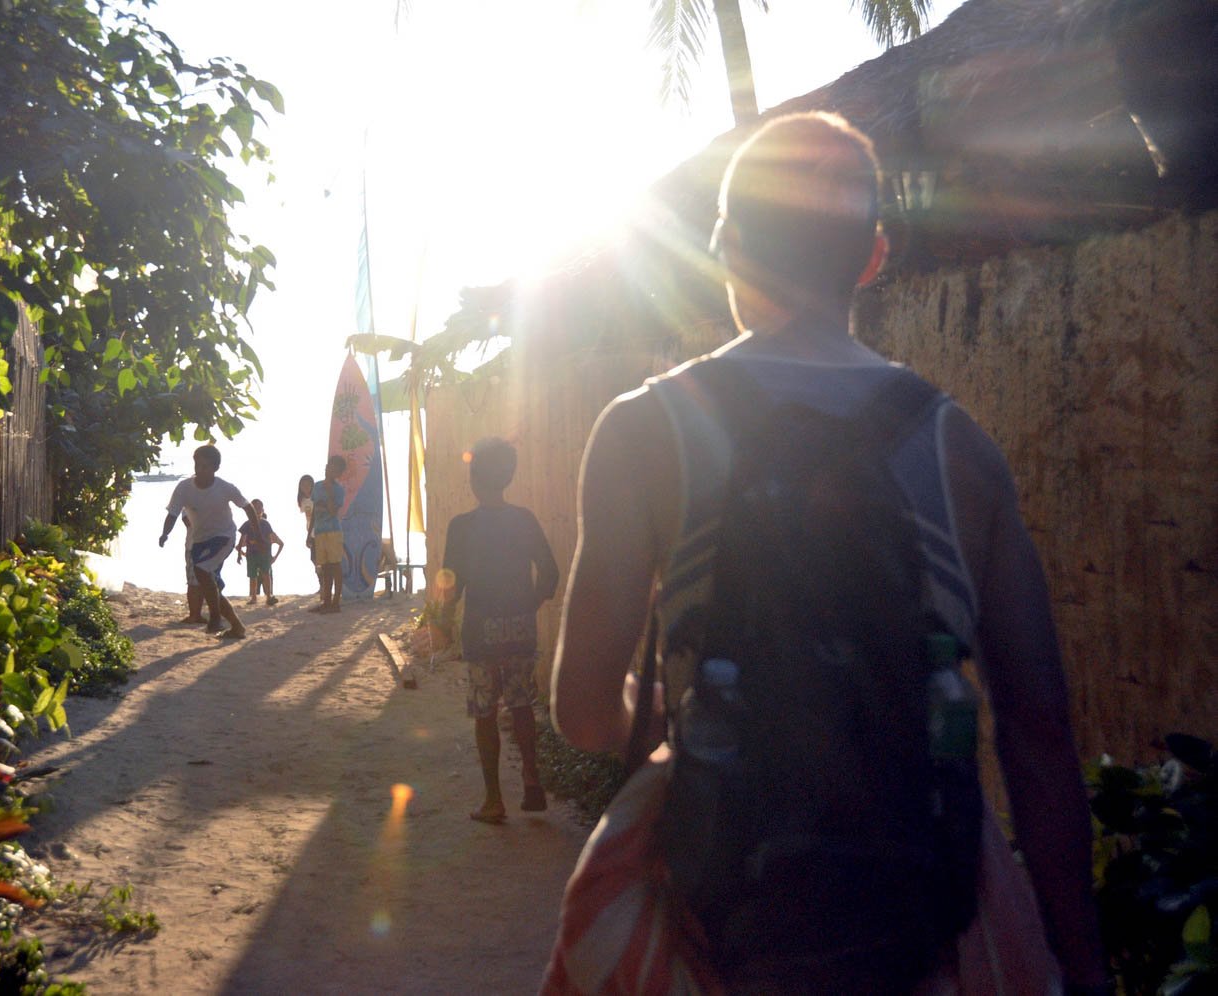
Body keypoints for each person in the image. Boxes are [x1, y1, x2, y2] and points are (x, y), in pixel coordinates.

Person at [544, 113, 1111, 994]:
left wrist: (677, 724)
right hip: (932, 921)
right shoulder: (962, 449)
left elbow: (581, 709)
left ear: (727, 247)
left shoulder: (643, 431)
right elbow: (1039, 735)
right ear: (873, 257)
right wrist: (1084, 965)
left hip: (714, 924)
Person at [441, 437, 560, 825]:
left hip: (481, 633)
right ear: (507, 477)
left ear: (475, 479)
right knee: (522, 704)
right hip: (520, 631)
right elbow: (551, 573)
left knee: (485, 713)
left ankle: (494, 800)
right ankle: (531, 780)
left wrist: (442, 624)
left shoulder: (461, 528)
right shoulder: (524, 520)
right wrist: (529, 604)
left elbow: (451, 588)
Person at [159, 444, 258, 639]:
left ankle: (215, 619)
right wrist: (165, 533)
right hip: (199, 541)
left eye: (205, 466)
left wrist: (258, 534)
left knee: (202, 571)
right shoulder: (184, 488)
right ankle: (237, 627)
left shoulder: (224, 487)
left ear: (215, 468)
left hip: (224, 537)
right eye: (197, 465)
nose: (200, 470)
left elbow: (247, 507)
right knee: (210, 585)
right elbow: (173, 513)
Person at [309, 455, 346, 614]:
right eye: (328, 466)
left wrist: (330, 492)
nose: (328, 469)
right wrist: (310, 533)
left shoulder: (339, 490)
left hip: (333, 531)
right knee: (324, 567)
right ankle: (327, 602)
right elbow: (315, 511)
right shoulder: (317, 487)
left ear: (338, 472)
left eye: (333, 468)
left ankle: (336, 602)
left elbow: (332, 511)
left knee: (335, 566)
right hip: (320, 531)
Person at [237, 498, 284, 606]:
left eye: (259, 507)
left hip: (264, 553)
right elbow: (241, 539)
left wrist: (272, 554)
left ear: (263, 509)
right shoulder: (247, 524)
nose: (258, 510)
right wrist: (240, 554)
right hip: (251, 554)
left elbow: (272, 538)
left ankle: (268, 596)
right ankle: (253, 597)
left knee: (266, 574)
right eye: (255, 507)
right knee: (252, 576)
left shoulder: (265, 524)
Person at [297, 474, 321, 597]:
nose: (305, 487)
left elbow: (315, 517)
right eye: (303, 485)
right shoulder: (303, 501)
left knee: (320, 559)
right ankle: (321, 584)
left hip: (320, 531)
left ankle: (324, 584)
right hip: (311, 533)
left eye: (308, 485)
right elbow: (308, 518)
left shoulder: (316, 498)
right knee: (314, 559)